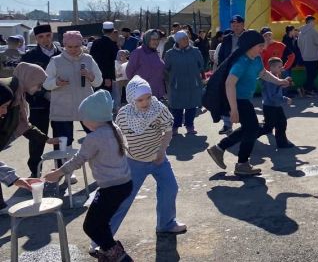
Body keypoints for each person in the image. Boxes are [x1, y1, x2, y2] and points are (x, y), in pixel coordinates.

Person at [99, 75, 186, 256]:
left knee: (170, 188)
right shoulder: (123, 114)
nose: (145, 103)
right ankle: (103, 238)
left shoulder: (158, 108)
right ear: (131, 99)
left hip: (158, 159)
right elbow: (117, 137)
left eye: (148, 97)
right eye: (140, 100)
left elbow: (168, 130)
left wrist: (162, 151)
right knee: (123, 199)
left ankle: (166, 224)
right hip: (134, 161)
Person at [44, 90, 133, 261]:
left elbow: (79, 159)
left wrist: (58, 173)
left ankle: (118, 255)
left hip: (111, 189)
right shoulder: (114, 128)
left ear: (94, 118)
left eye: (83, 117)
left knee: (91, 226)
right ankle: (109, 252)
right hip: (123, 185)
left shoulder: (94, 137)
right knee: (100, 223)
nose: (82, 121)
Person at [206, 30, 290, 176]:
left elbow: (263, 74)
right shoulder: (241, 62)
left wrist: (280, 82)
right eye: (260, 45)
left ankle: (219, 149)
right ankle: (241, 164)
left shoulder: (256, 59)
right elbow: (229, 84)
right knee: (252, 129)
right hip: (238, 100)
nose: (262, 48)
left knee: (249, 128)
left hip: (244, 99)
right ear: (250, 46)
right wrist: (233, 109)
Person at [0, 64, 58, 209]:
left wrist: (46, 139)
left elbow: (23, 125)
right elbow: (23, 125)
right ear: (30, 78)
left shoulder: (16, 94)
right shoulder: (10, 93)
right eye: (38, 84)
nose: (4, 112)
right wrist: (16, 179)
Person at [44, 31, 103, 164]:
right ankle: (67, 171)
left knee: (95, 136)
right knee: (65, 139)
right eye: (69, 47)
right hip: (62, 107)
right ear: (64, 45)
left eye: (76, 46)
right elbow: (46, 83)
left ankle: (100, 166)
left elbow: (98, 82)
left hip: (86, 106)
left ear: (82, 44)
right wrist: (56, 83)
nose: (73, 50)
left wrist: (89, 75)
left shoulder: (88, 59)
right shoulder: (55, 61)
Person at [21, 23, 62, 177]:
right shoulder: (29, 57)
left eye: (48, 35)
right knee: (37, 138)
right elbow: (24, 82)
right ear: (36, 39)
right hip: (39, 104)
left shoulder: (62, 54)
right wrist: (41, 94)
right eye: (40, 37)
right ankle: (35, 171)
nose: (45, 39)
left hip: (61, 102)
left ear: (52, 35)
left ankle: (61, 169)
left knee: (61, 137)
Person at [164, 31, 205, 135]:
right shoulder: (170, 53)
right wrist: (172, 80)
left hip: (193, 84)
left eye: (186, 38)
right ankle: (175, 127)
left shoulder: (195, 51)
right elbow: (165, 69)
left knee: (191, 106)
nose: (186, 40)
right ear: (177, 41)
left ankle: (190, 126)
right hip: (177, 85)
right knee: (176, 107)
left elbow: (201, 64)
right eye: (183, 39)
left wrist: (197, 75)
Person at [257, 57, 294, 148]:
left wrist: (284, 83)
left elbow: (277, 91)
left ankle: (282, 143)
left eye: (281, 67)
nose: (281, 68)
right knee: (268, 127)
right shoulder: (270, 80)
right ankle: (248, 135)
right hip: (270, 106)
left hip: (275, 105)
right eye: (279, 67)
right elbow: (273, 96)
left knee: (281, 123)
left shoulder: (276, 77)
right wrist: (285, 99)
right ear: (272, 68)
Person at [126, 29, 166, 100]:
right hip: (142, 94)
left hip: (156, 94)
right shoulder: (138, 52)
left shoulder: (155, 53)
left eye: (157, 39)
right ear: (147, 39)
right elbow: (129, 72)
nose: (156, 42)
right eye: (153, 39)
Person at [298, 16, 318, 97]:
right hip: (313, 57)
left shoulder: (301, 32)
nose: (314, 23)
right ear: (310, 22)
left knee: (310, 75)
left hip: (305, 57)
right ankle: (306, 89)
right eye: (314, 22)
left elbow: (298, 44)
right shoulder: (312, 31)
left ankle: (306, 90)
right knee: (313, 75)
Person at [90, 22, 119, 92]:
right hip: (107, 76)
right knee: (106, 96)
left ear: (102, 30)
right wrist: (107, 77)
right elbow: (110, 62)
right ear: (112, 31)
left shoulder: (95, 42)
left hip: (95, 73)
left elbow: (92, 58)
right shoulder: (112, 44)